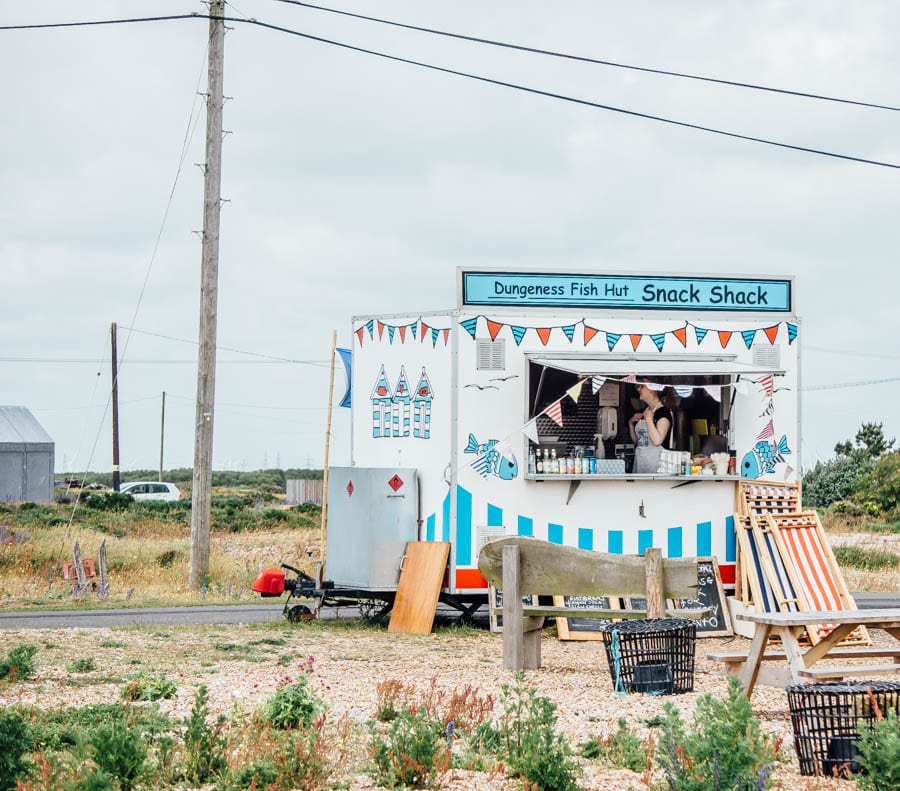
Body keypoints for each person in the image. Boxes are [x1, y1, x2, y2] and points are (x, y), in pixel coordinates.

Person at [628, 379, 673, 473]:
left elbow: (657, 441)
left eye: (642, 386)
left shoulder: (663, 413)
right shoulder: (646, 410)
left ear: (653, 388)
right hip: (640, 465)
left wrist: (648, 419)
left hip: (656, 469)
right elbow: (637, 441)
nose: (638, 389)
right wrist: (631, 424)